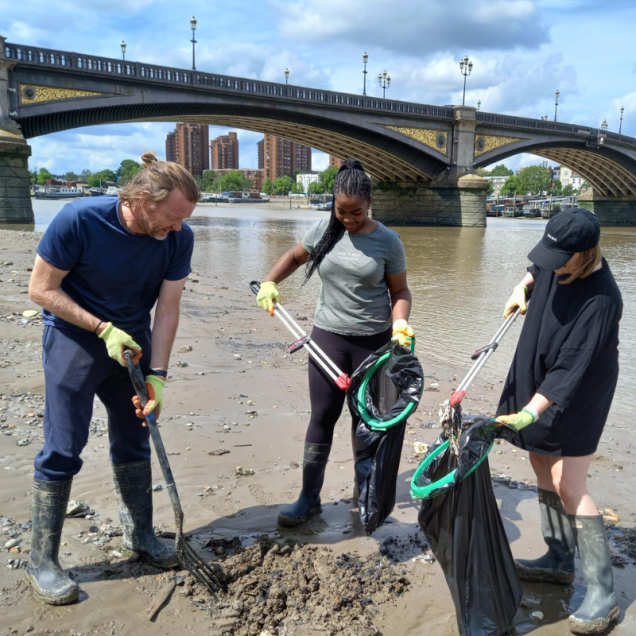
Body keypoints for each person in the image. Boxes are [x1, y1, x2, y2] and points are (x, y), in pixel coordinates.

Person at [26, 152, 199, 605]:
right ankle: (42, 560)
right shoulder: (78, 220)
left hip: (134, 342)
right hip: (75, 338)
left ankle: (140, 534)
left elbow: (168, 309)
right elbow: (41, 289)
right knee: (63, 448)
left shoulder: (179, 238)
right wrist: (101, 328)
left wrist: (158, 376)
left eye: (184, 220)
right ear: (143, 199)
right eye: (172, 217)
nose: (177, 227)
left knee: (134, 436)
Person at [256, 158, 413, 527]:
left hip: (373, 344)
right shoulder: (325, 230)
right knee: (323, 416)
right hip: (328, 336)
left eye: (355, 212)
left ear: (370, 203)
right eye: (341, 211)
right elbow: (295, 256)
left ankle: (366, 497)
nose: (348, 219)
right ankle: (308, 499)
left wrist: (401, 325)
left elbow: (400, 291)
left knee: (368, 422)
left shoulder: (388, 241)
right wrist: (269, 282)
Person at [495, 209, 622, 635]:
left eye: (559, 257)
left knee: (570, 480)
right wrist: (523, 285)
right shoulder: (558, 260)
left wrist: (533, 408)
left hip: (580, 389)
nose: (550, 263)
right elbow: (537, 268)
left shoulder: (602, 298)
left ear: (583, 255)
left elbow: (572, 368)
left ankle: (603, 595)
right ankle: (558, 558)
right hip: (540, 365)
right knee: (538, 458)